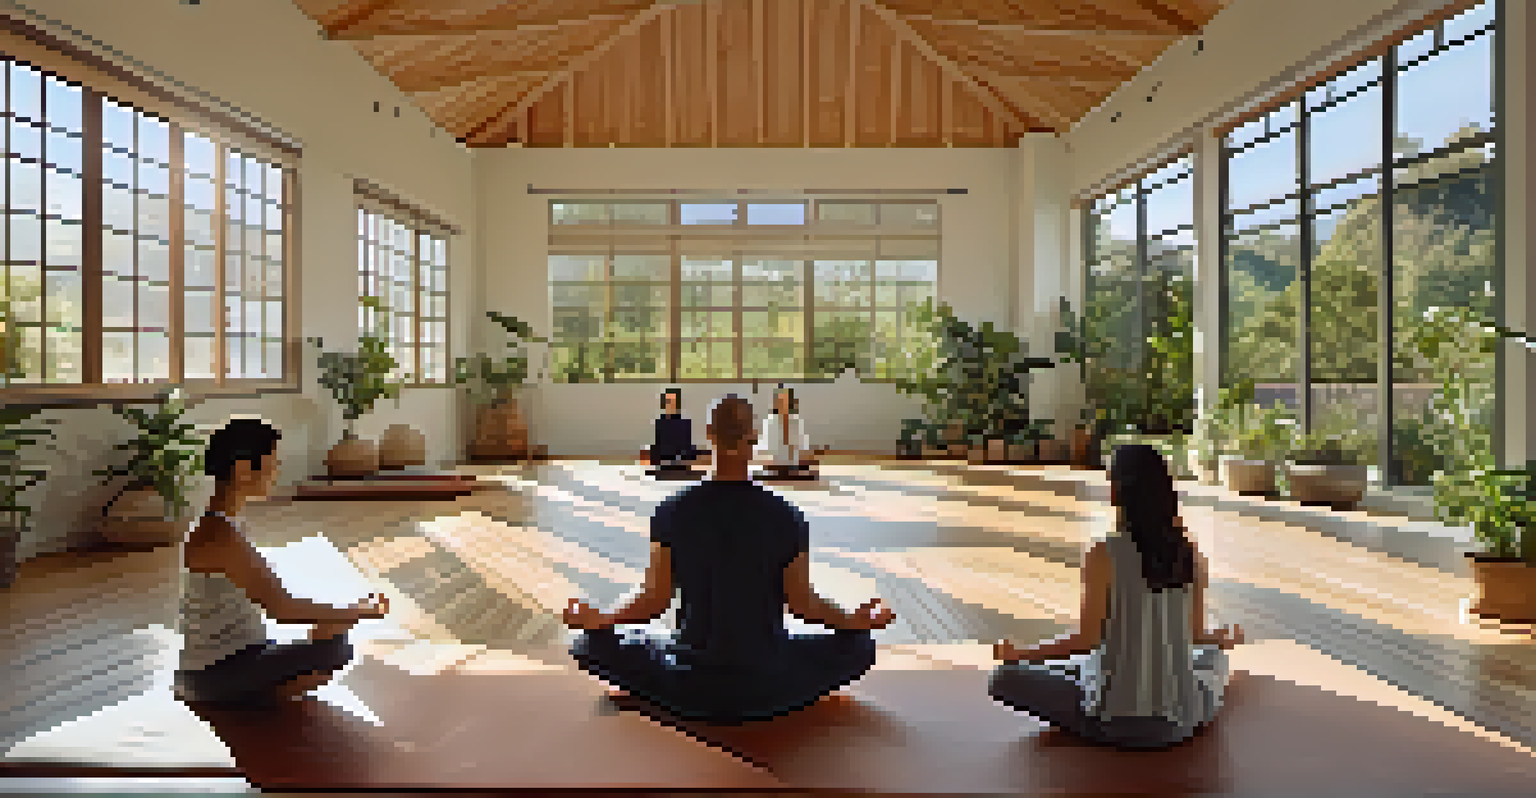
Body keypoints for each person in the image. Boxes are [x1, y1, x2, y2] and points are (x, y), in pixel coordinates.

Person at [566, 394, 895, 724]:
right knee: (860, 646)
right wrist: (854, 621)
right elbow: (803, 605)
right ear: (754, 437)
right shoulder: (787, 516)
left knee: (589, 642)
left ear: (709, 434)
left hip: (689, 680)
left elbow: (654, 601)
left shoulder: (672, 510)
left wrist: (603, 619)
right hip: (765, 680)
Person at [989, 444, 1243, 749]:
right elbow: (1195, 635)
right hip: (1181, 721)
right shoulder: (1189, 554)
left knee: (1005, 678)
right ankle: (1092, 673)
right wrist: (1222, 637)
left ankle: (1081, 676)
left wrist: (1021, 654)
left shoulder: (1103, 554)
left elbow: (1088, 639)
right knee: (1214, 658)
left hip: (1113, 723)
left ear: (1118, 491)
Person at [174, 418, 388, 708]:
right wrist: (360, 611)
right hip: (213, 675)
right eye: (272, 464)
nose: (276, 473)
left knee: (332, 633)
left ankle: (251, 691)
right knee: (335, 651)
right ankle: (246, 698)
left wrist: (343, 615)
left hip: (231, 660)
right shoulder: (220, 535)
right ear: (242, 470)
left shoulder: (224, 525)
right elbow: (283, 609)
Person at [754, 385, 818, 480]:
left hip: (793, 464)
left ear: (789, 402)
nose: (781, 404)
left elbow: (802, 444)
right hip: (775, 464)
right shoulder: (770, 422)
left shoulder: (795, 421)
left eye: (784, 400)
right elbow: (763, 445)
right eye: (779, 401)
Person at [645, 388, 707, 473]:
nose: (668, 405)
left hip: (681, 467)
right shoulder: (660, 423)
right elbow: (658, 447)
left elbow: (687, 449)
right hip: (663, 466)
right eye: (667, 401)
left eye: (670, 401)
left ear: (677, 404)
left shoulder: (685, 424)